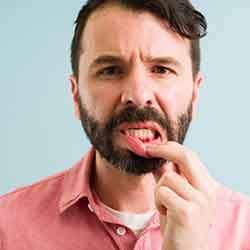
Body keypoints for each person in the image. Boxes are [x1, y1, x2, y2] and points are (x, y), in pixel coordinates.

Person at [1, 0, 250, 249]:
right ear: (76, 96)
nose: (138, 95)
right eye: (111, 70)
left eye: (161, 70)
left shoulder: (244, 230)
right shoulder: (7, 226)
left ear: (194, 95)